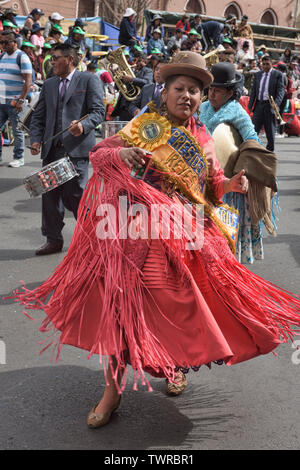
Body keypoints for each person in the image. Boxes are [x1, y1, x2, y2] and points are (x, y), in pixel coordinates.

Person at [15, 51, 300, 429]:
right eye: (181, 88)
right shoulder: (145, 124)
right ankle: (112, 390)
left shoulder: (201, 135)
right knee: (121, 310)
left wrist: (229, 184)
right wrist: (123, 153)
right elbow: (101, 155)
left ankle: (173, 365)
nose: (188, 96)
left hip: (183, 234)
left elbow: (210, 186)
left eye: (196, 91)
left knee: (179, 308)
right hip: (134, 232)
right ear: (164, 91)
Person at [29, 43, 105, 256]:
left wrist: (83, 126)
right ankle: (53, 240)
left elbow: (98, 112)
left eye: (56, 58)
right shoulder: (50, 84)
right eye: (51, 58)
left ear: (70, 60)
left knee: (76, 196)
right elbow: (38, 115)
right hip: (52, 150)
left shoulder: (89, 80)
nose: (51, 62)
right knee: (50, 198)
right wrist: (35, 139)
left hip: (76, 151)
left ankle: (91, 239)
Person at [200, 62, 273, 264]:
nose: (212, 94)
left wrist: (242, 170)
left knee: (225, 228)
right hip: (202, 177)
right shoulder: (203, 107)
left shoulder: (237, 112)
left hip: (228, 180)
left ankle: (229, 264)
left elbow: (253, 141)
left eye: (218, 91)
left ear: (230, 93)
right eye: (211, 89)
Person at [0, 30, 32, 167]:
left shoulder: (22, 57)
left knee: (17, 131)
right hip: (1, 100)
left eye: (5, 42)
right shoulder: (2, 56)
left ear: (14, 42)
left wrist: (21, 100)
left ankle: (19, 158)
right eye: (1, 42)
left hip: (15, 101)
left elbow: (28, 82)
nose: (3, 45)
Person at [249, 55, 285, 152]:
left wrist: (276, 103)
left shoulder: (278, 75)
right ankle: (253, 149)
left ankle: (269, 151)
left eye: (267, 64)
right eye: (263, 64)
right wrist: (250, 105)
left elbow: (281, 91)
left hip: (270, 105)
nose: (265, 66)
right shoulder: (258, 75)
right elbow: (253, 92)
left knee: (270, 130)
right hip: (259, 105)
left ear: (271, 64)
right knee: (253, 128)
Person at [111, 53, 153, 121]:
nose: (135, 63)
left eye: (138, 61)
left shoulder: (148, 71)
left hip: (135, 107)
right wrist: (118, 77)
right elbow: (117, 87)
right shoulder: (128, 71)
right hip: (123, 107)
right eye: (134, 60)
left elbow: (148, 83)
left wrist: (132, 79)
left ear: (144, 62)